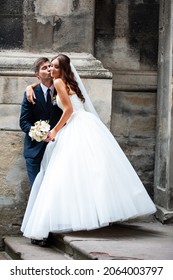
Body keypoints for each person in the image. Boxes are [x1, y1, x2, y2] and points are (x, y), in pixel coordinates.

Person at [21, 54, 156, 246]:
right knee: (89, 172)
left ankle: (65, 220)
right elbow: (48, 88)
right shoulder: (70, 81)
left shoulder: (59, 82)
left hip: (74, 125)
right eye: (49, 67)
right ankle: (90, 214)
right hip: (86, 124)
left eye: (54, 66)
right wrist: (30, 86)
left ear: (62, 69)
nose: (51, 69)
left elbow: (68, 110)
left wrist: (54, 131)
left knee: (65, 174)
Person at [19, 57, 63, 187]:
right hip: (34, 152)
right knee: (37, 189)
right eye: (44, 68)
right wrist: (38, 133)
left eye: (50, 66)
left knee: (54, 191)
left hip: (58, 150)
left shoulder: (62, 91)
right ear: (37, 74)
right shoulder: (30, 94)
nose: (49, 69)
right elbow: (24, 122)